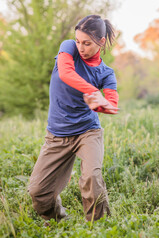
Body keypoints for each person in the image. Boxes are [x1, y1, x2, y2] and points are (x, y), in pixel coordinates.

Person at [28, 15, 119, 222]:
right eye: (78, 41)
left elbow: (112, 104)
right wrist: (93, 92)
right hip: (57, 135)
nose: (81, 47)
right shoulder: (68, 47)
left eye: (87, 43)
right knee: (38, 191)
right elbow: (66, 73)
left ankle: (99, 228)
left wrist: (102, 104)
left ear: (101, 42)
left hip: (88, 132)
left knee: (91, 180)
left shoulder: (106, 73)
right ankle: (58, 220)